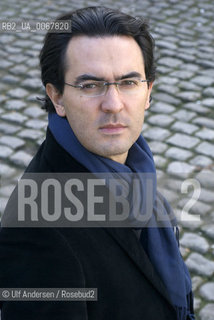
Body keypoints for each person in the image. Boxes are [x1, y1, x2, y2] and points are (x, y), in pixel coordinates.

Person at [0, 6, 195, 320]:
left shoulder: (135, 169)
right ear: (57, 97)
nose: (114, 104)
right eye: (90, 86)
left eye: (129, 83)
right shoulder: (36, 233)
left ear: (149, 92)